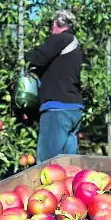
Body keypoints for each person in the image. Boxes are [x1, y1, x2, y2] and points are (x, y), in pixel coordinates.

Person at [25, 10, 84, 163]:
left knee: (47, 165)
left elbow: (37, 57)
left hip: (58, 109)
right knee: (68, 165)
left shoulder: (61, 39)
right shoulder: (75, 45)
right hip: (74, 108)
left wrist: (24, 58)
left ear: (56, 24)